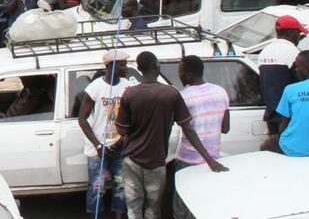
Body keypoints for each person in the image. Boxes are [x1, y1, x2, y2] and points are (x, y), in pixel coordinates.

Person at [116, 51, 226, 219]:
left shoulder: (129, 94)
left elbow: (122, 130)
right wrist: (209, 160)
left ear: (138, 68)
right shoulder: (171, 93)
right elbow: (188, 127)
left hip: (132, 160)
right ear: (157, 67)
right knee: (153, 209)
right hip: (156, 162)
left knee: (134, 210)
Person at [78, 49, 137, 219]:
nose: (126, 68)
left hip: (120, 147)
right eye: (122, 65)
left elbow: (134, 116)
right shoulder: (94, 88)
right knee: (97, 187)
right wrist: (98, 145)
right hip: (98, 149)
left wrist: (124, 139)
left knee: (120, 185)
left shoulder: (128, 86)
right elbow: (82, 120)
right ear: (111, 66)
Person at [174, 55, 230, 171]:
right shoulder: (220, 92)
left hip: (188, 160)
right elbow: (225, 128)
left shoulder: (183, 96)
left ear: (189, 75)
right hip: (214, 158)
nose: (179, 75)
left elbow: (187, 129)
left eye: (181, 72)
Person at [259, 15, 306, 146]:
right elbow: (301, 83)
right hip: (289, 116)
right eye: (298, 33)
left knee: (275, 151)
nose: (299, 37)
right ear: (290, 32)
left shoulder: (265, 51)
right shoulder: (293, 52)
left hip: (271, 115)